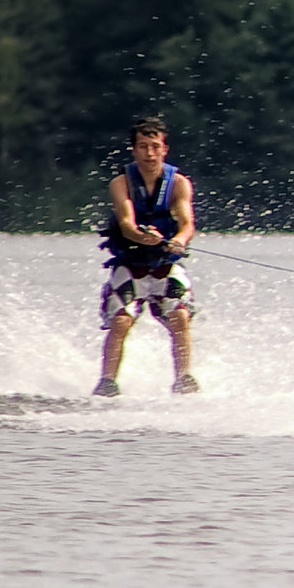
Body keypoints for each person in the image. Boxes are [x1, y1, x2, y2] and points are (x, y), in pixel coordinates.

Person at [94, 115, 200, 396]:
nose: (150, 153)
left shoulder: (178, 183)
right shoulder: (121, 183)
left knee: (179, 317)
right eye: (143, 146)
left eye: (155, 146)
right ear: (134, 150)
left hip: (165, 264)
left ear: (165, 149)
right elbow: (127, 224)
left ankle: (184, 380)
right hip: (131, 264)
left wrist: (178, 240)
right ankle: (107, 382)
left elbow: (187, 223)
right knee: (121, 321)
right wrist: (143, 237)